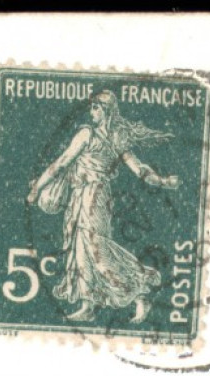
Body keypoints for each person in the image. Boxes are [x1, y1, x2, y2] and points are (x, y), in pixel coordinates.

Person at [25, 88, 180, 323]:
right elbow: (140, 170)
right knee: (82, 249)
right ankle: (89, 304)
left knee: (95, 248)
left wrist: (37, 188)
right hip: (87, 196)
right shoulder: (114, 139)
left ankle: (139, 290)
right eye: (92, 107)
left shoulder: (89, 135)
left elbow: (62, 163)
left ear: (107, 111)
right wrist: (163, 181)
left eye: (96, 107)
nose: (92, 111)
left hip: (92, 196)